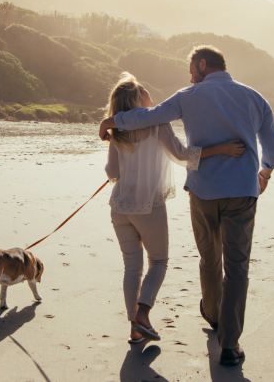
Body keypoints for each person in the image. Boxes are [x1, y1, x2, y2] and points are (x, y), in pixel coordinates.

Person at [99, 46, 274, 365]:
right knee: (236, 266)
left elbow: (148, 117)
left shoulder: (187, 96)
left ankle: (210, 314)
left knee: (209, 259)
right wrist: (265, 171)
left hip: (201, 191)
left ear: (201, 65)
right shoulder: (255, 97)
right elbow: (273, 146)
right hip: (242, 190)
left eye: (190, 69)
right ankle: (229, 343)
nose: (189, 75)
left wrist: (113, 120)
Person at [103, 72, 246, 344]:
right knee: (157, 262)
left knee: (131, 268)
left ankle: (135, 327)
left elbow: (112, 172)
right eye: (143, 89)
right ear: (137, 99)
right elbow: (183, 156)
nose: (149, 91)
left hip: (120, 208)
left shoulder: (117, 131)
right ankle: (142, 315)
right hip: (149, 207)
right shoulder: (157, 124)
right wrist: (222, 149)